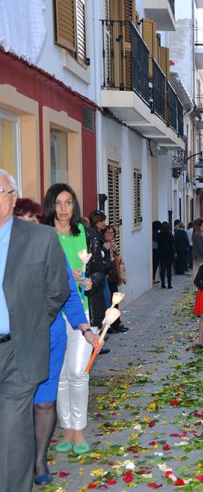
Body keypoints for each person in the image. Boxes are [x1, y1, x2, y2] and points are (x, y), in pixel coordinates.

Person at [14, 199, 93, 485]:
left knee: (45, 403)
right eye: (21, 221)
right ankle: (18, 458)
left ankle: (39, 459)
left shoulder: (52, 251)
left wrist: (85, 329)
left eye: (33, 223)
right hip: (15, 342)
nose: (27, 228)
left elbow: (69, 294)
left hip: (51, 337)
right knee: (17, 404)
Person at [0, 172, 70, 492]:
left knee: (14, 433)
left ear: (14, 198)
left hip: (18, 349)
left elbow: (57, 291)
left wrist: (33, 323)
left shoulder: (40, 238)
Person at [42, 183, 107, 459]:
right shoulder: (43, 237)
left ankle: (78, 428)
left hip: (83, 313)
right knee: (58, 376)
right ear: (51, 206)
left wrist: (90, 281)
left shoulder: (88, 235)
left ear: (75, 205)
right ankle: (66, 428)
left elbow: (103, 270)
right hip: (53, 316)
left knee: (79, 373)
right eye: (58, 203)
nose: (64, 208)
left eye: (68, 202)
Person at [102, 225, 127, 333]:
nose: (110, 234)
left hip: (114, 277)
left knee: (115, 302)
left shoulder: (113, 246)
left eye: (112, 233)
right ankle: (110, 325)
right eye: (108, 233)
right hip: (108, 277)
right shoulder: (105, 246)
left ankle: (116, 323)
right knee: (110, 303)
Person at [157, 222, 175, 288]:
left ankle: (163, 284)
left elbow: (158, 242)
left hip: (161, 253)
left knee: (162, 269)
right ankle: (169, 284)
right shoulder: (170, 234)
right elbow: (173, 243)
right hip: (169, 253)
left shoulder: (159, 235)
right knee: (169, 270)